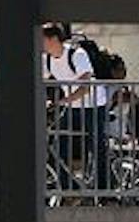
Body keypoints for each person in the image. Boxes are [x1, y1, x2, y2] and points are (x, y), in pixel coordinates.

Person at [44, 23, 110, 191]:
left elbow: (85, 87)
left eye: (42, 40)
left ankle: (105, 191)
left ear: (53, 39)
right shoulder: (48, 59)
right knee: (56, 149)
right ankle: (72, 189)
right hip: (73, 106)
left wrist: (63, 101)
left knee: (97, 147)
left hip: (94, 105)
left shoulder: (76, 54)